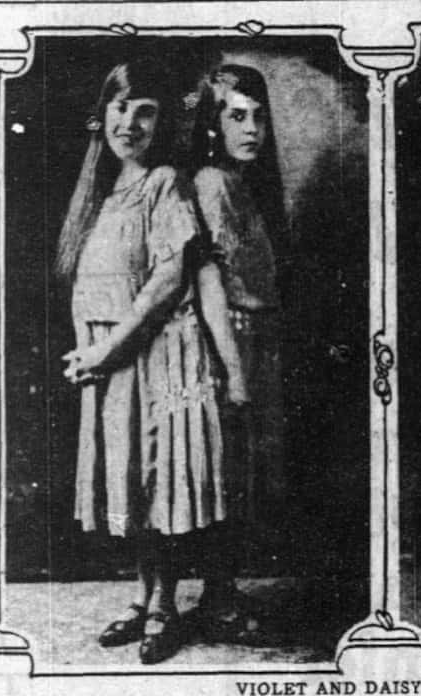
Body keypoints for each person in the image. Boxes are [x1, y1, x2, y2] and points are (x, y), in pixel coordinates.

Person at [57, 58, 245, 664]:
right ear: (101, 113)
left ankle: (165, 607)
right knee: (128, 486)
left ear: (162, 124)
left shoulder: (164, 181)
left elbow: (167, 280)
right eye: (120, 107)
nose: (129, 122)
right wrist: (93, 356)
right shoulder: (102, 193)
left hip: (149, 358)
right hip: (108, 366)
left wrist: (106, 352)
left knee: (154, 480)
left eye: (145, 111)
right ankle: (142, 600)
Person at [189, 64, 287, 639]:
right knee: (223, 473)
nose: (252, 129)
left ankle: (221, 593)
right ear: (213, 124)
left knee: (243, 475)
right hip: (228, 340)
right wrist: (233, 367)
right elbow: (212, 286)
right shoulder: (210, 182)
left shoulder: (242, 183)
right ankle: (216, 600)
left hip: (258, 334)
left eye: (258, 116)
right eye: (236, 117)